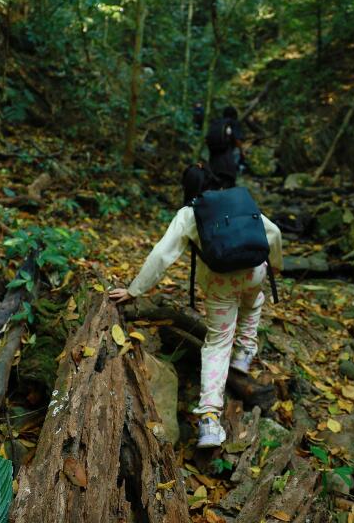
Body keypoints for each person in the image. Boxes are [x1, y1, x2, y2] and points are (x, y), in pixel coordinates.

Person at [109, 163, 282, 449]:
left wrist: (134, 290)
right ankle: (245, 354)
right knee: (254, 303)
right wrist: (276, 263)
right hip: (254, 272)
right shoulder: (236, 200)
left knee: (217, 343)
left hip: (219, 284)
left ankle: (210, 422)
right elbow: (272, 231)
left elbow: (161, 255)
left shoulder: (189, 213)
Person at [206, 106, 245, 187]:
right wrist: (243, 153)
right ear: (235, 115)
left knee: (215, 186)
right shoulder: (233, 123)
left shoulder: (216, 123)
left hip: (213, 164)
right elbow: (238, 141)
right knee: (228, 186)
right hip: (227, 163)